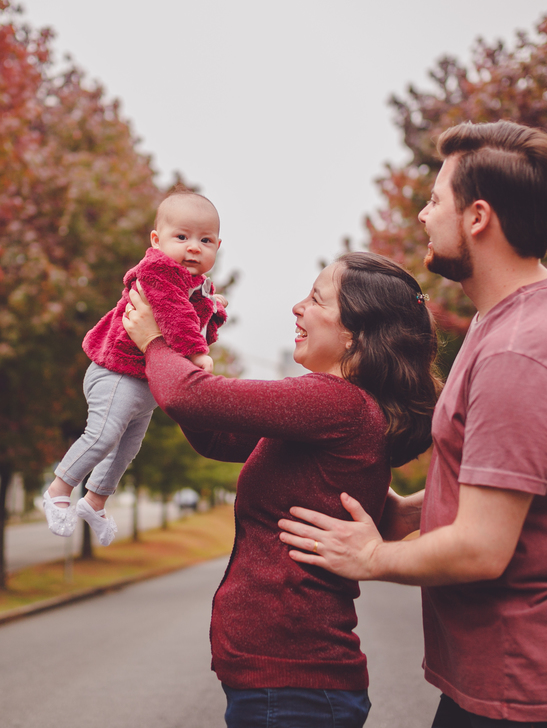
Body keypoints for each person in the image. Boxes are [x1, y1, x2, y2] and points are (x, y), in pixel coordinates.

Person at [279, 121, 547, 727]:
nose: (422, 214)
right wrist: (406, 510)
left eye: (436, 200)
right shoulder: (502, 322)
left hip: (524, 688)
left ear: (478, 217)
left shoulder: (523, 351)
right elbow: (507, 491)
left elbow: (484, 548)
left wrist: (371, 556)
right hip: (497, 677)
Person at [122, 251, 441, 728]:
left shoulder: (335, 402)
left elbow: (191, 396)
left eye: (316, 299)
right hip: (286, 686)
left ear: (355, 332)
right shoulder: (334, 413)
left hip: (295, 689)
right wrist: (186, 347)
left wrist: (154, 342)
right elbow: (213, 432)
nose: (297, 307)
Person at [41, 187, 227, 545]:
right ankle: (58, 488)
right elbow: (175, 317)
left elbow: (196, 325)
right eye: (182, 237)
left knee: (127, 448)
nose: (194, 247)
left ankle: (95, 500)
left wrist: (213, 312)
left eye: (206, 240)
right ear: (157, 241)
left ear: (218, 246)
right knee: (103, 434)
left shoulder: (197, 286)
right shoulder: (159, 270)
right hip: (117, 373)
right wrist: (196, 353)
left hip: (145, 384)